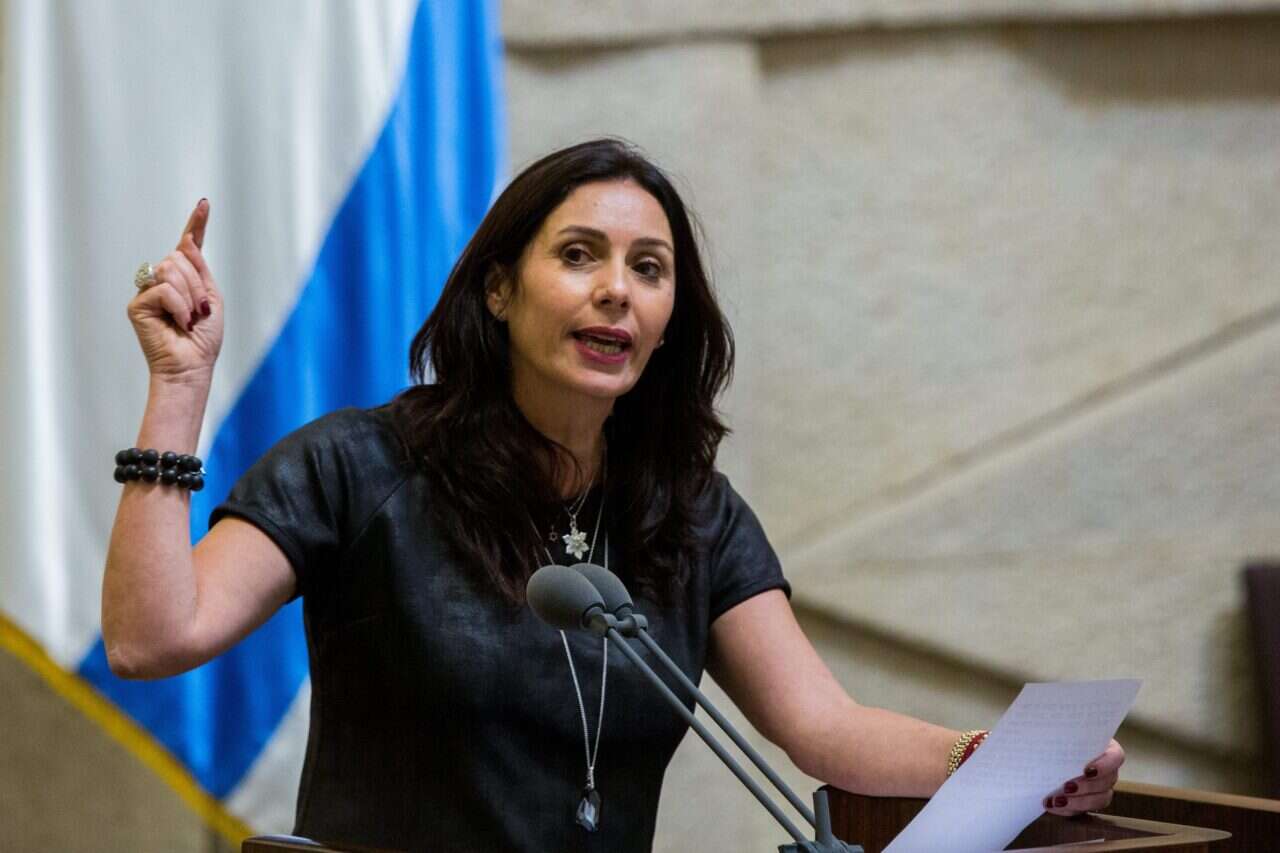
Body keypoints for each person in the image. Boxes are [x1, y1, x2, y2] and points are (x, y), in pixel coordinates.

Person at [104, 139, 1124, 852]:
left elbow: (823, 728)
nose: (616, 290)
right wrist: (179, 390)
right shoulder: (360, 466)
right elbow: (153, 637)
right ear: (498, 289)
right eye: (578, 255)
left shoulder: (689, 513)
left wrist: (999, 759)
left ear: (670, 320)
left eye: (648, 268)